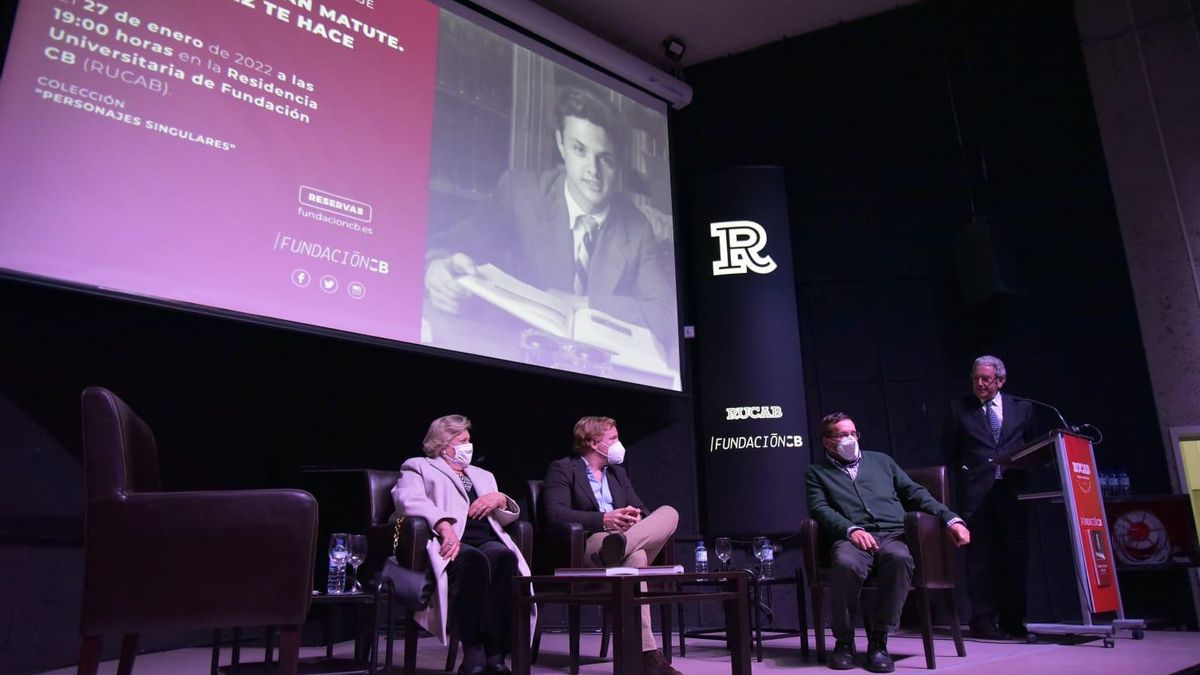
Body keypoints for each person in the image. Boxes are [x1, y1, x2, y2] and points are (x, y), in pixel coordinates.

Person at [423, 85, 676, 353]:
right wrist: (436, 270)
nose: (593, 170)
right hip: (516, 356)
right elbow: (447, 247)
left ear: (620, 164)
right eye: (580, 150)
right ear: (561, 144)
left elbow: (667, 315)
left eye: (605, 159)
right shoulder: (518, 193)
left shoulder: (637, 228)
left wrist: (581, 304)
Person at [806, 412, 970, 673]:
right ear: (827, 442)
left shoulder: (882, 461)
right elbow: (819, 508)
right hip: (852, 537)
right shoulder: (817, 472)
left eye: (853, 433)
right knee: (845, 563)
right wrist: (850, 529)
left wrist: (951, 519)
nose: (849, 439)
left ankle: (879, 641)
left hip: (893, 535)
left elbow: (915, 493)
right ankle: (844, 642)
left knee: (900, 559)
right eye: (842, 435)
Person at [391, 415, 532, 674]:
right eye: (463, 440)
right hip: (450, 541)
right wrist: (443, 525)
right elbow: (407, 499)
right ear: (444, 445)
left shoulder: (483, 475)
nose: (469, 445)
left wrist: (500, 499)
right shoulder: (419, 466)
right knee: (474, 563)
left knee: (503, 559)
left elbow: (503, 517)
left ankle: (496, 654)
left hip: (487, 539)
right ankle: (474, 653)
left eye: (469, 439)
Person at [541, 416, 681, 675]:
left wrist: (636, 517)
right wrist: (603, 519)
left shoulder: (617, 473)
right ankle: (649, 658)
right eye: (613, 439)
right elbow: (555, 514)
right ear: (594, 443)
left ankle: (623, 546)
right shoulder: (563, 468)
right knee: (637, 559)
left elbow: (642, 508)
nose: (619, 444)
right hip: (592, 541)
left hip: (625, 539)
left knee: (668, 514)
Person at [944, 355, 1039, 640]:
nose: (979, 384)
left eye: (985, 379)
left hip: (1012, 494)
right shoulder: (959, 409)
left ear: (1000, 380)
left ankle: (1013, 621)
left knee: (1014, 559)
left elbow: (1033, 447)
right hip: (976, 497)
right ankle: (983, 622)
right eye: (975, 378)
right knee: (980, 562)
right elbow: (949, 453)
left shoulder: (1022, 409)